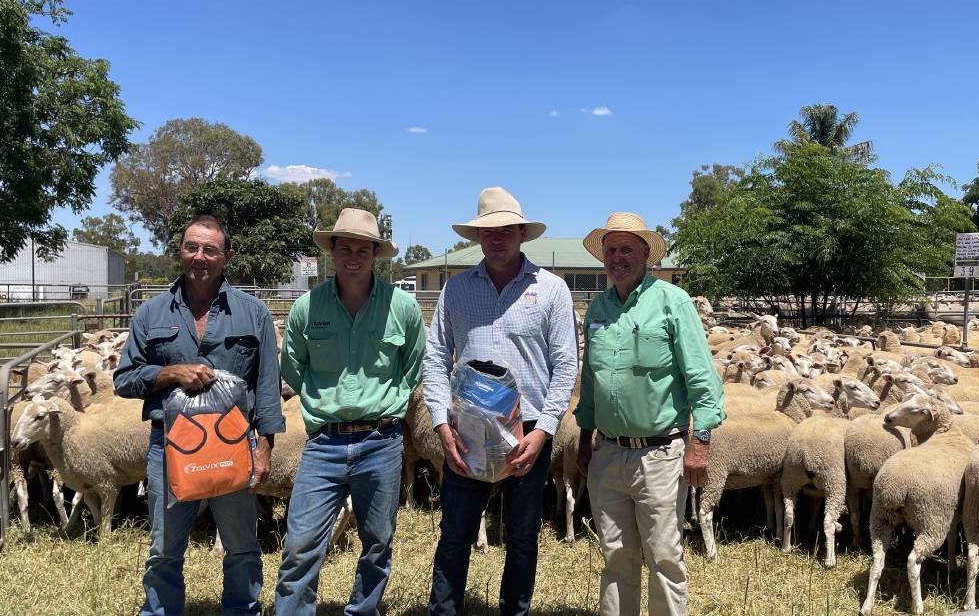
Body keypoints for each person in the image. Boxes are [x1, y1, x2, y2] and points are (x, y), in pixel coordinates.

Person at [114, 214, 285, 616]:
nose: (200, 257)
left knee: (242, 546)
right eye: (192, 247)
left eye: (210, 249)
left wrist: (264, 447)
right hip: (171, 447)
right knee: (163, 549)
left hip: (232, 444)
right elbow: (124, 379)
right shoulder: (151, 313)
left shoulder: (253, 313)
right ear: (181, 252)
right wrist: (171, 373)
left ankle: (242, 609)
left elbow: (266, 387)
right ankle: (160, 611)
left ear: (227, 256)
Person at [423, 187, 578, 616]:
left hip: (526, 429)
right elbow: (435, 357)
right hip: (467, 428)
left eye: (506, 229)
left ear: (522, 233)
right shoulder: (455, 290)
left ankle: (515, 610)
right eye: (487, 230)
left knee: (522, 534)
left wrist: (545, 430)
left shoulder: (551, 290)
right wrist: (441, 424)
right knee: (455, 532)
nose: (496, 238)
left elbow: (565, 366)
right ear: (476, 236)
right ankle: (445, 610)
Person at [275, 208, 426, 615]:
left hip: (382, 441)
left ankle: (363, 609)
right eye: (346, 248)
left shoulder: (403, 308)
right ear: (332, 252)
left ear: (376, 253)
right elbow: (293, 367)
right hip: (324, 443)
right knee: (301, 543)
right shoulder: (308, 308)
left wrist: (389, 407)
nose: (354, 256)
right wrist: (323, 405)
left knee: (378, 541)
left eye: (364, 248)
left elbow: (413, 368)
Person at [574, 212, 725, 616]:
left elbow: (702, 378)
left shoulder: (672, 302)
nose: (617, 257)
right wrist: (585, 438)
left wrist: (701, 441)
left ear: (646, 254)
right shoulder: (597, 310)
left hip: (659, 455)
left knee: (663, 556)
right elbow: (590, 382)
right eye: (611, 250)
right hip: (607, 454)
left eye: (626, 249)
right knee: (615, 556)